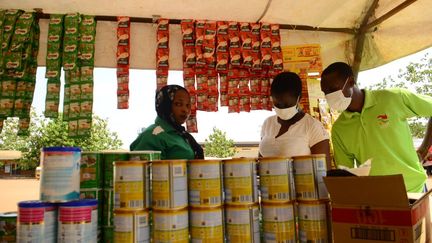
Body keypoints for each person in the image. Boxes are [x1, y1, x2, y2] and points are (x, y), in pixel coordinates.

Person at [320, 62, 432, 192]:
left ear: (351, 82)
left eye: (333, 90)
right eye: (325, 92)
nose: (328, 96)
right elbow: (347, 175)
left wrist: (423, 149)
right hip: (375, 197)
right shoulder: (339, 129)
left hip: (413, 190)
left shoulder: (393, 98)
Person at [259, 72, 332, 170]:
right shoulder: (268, 123)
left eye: (287, 105)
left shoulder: (313, 126)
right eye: (278, 105)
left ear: (299, 99)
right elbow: (261, 161)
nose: (282, 109)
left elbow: (324, 172)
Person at [130, 85, 204, 160]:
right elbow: (144, 170)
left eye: (188, 105)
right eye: (178, 104)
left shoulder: (181, 135)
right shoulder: (152, 136)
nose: (185, 110)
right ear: (165, 105)